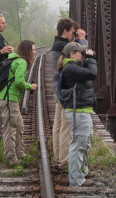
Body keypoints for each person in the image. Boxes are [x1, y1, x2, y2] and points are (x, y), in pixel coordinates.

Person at [58, 42, 97, 187]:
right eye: (81, 52)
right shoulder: (70, 68)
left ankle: (82, 171)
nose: (84, 54)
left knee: (84, 143)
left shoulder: (74, 67)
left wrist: (89, 58)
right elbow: (93, 73)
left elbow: (89, 72)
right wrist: (91, 59)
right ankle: (76, 181)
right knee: (78, 145)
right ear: (72, 54)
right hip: (78, 112)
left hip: (82, 110)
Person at [49, 18, 86, 171]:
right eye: (73, 32)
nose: (74, 35)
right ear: (65, 31)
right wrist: (82, 40)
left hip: (58, 90)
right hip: (66, 92)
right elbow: (84, 56)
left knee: (58, 126)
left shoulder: (57, 44)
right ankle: (64, 161)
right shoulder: (64, 47)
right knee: (66, 126)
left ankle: (58, 157)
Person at [0, 40, 37, 165]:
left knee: (19, 125)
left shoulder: (16, 60)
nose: (35, 52)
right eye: (33, 50)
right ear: (28, 51)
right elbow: (19, 81)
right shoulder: (22, 62)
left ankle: (20, 152)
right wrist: (30, 86)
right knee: (11, 127)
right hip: (9, 98)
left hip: (8, 97)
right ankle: (10, 157)